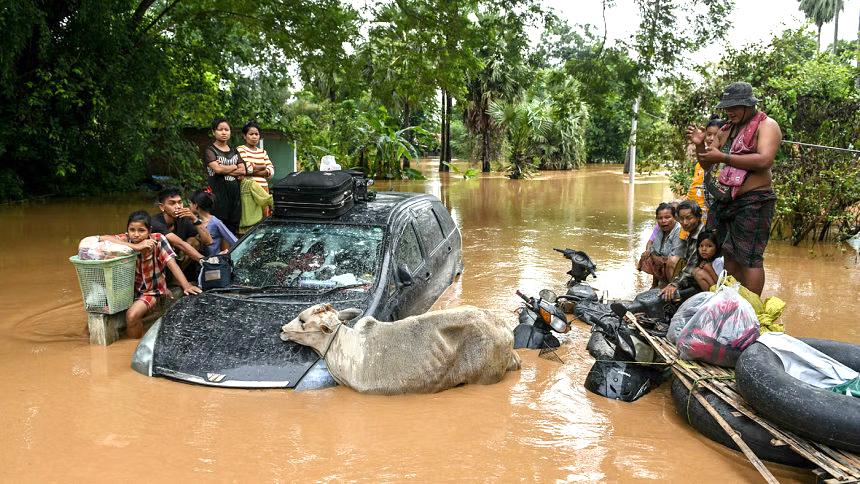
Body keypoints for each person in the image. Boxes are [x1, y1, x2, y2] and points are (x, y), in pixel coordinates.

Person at [687, 82, 782, 296]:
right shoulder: (726, 129)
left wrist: (724, 157)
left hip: (754, 201)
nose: (730, 111)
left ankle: (753, 310)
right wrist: (700, 145)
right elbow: (707, 164)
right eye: (727, 107)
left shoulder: (767, 125)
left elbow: (764, 160)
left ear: (749, 105)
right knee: (729, 253)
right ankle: (733, 303)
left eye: (735, 106)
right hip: (727, 200)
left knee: (750, 258)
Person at [101, 211, 201, 338]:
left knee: (132, 316)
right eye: (132, 230)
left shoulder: (158, 240)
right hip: (129, 290)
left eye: (141, 230)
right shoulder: (126, 239)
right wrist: (135, 247)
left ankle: (133, 348)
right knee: (94, 319)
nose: (136, 234)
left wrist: (186, 285)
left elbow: (172, 263)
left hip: (152, 291)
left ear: (149, 231)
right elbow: (101, 239)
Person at [205, 117, 251, 234]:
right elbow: (217, 169)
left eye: (227, 129)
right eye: (220, 129)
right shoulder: (210, 151)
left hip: (234, 198)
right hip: (218, 198)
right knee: (218, 229)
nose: (224, 132)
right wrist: (233, 166)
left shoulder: (234, 151)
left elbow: (243, 170)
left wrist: (224, 169)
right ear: (213, 132)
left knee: (233, 228)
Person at [151, 187, 209, 266]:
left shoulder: (183, 219)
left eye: (180, 202)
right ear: (162, 207)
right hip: (157, 262)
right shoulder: (155, 223)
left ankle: (178, 276)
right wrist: (205, 260)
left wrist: (195, 219)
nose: (178, 206)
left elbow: (208, 241)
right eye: (172, 203)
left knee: (194, 241)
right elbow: (180, 244)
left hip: (177, 259)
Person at [660, 200, 705, 301]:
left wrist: (674, 284)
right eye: (681, 219)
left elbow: (691, 267)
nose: (685, 223)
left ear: (698, 217)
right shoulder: (693, 232)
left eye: (689, 218)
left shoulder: (701, 236)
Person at [688, 114, 725, 224]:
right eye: (709, 134)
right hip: (707, 213)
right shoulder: (703, 160)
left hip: (723, 212)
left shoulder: (728, 157)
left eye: (716, 135)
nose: (712, 138)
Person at [638, 203, 683, 288]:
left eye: (667, 217)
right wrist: (650, 253)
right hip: (663, 259)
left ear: (675, 218)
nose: (663, 221)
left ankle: (672, 286)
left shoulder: (678, 230)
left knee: (669, 261)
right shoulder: (659, 228)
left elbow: (674, 256)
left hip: (677, 265)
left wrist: (656, 257)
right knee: (646, 256)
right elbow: (653, 246)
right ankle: (655, 285)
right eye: (660, 218)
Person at [237, 120, 275, 217]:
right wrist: (263, 167)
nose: (254, 136)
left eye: (256, 134)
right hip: (250, 189)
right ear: (244, 136)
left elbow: (271, 171)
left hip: (263, 189)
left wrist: (253, 169)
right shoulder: (241, 149)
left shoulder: (263, 152)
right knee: (251, 217)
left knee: (264, 216)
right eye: (251, 134)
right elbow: (245, 168)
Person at [189, 190, 238, 256]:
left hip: (215, 260)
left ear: (196, 205)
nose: (189, 205)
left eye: (190, 203)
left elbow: (232, 239)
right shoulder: (194, 221)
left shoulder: (215, 222)